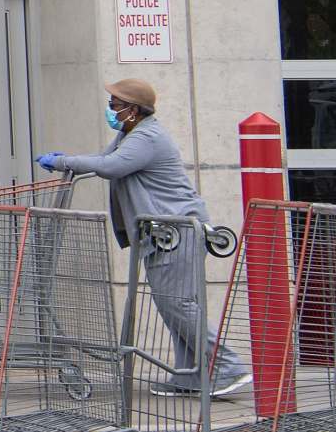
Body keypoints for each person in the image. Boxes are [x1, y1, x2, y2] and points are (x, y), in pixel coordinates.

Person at [39, 78, 252, 398]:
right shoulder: (130, 134)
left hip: (177, 231)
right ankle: (191, 375)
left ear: (133, 109)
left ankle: (226, 365)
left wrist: (63, 161)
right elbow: (105, 159)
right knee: (173, 305)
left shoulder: (148, 137)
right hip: (163, 233)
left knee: (178, 303)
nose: (110, 110)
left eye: (114, 105)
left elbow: (111, 167)